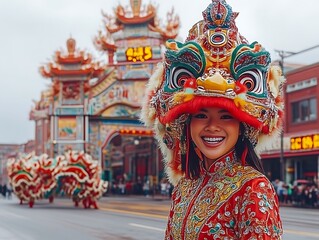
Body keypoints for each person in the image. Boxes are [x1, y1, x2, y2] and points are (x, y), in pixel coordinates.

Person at [141, 0, 284, 239]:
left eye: (226, 116)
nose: (212, 126)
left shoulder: (253, 188)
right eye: (201, 115)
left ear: (243, 126)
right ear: (187, 123)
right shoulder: (185, 186)